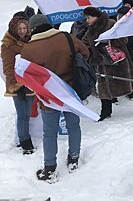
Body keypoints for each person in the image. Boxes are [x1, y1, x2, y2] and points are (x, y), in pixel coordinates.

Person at [20, 14, 89, 181]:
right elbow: (85, 53)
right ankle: (73, 159)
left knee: (49, 132)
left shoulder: (29, 49)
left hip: (48, 96)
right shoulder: (68, 37)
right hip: (71, 91)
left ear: (33, 29)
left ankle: (49, 168)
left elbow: (26, 75)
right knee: (74, 126)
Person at [82, 7, 133, 120]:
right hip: (102, 64)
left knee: (129, 85)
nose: (87, 20)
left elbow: (123, 40)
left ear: (96, 16)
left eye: (89, 17)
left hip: (119, 63)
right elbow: (84, 43)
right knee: (104, 89)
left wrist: (108, 41)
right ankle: (105, 112)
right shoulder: (90, 30)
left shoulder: (111, 24)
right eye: (86, 18)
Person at [1, 15, 35, 155]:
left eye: (24, 28)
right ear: (14, 29)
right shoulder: (7, 45)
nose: (22, 31)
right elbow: (8, 67)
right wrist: (15, 84)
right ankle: (25, 142)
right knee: (22, 114)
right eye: (19, 28)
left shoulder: (32, 41)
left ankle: (25, 137)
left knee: (28, 113)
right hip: (18, 84)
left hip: (31, 83)